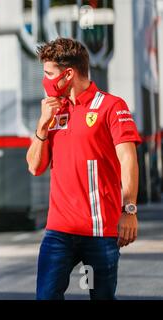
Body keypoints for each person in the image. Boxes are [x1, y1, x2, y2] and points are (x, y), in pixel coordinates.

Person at [26, 38, 142, 300]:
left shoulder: (112, 106)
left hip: (99, 233)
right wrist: (43, 126)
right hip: (58, 233)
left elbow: (128, 159)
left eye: (49, 74)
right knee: (45, 297)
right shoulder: (53, 110)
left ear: (68, 74)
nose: (44, 80)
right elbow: (34, 167)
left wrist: (129, 209)